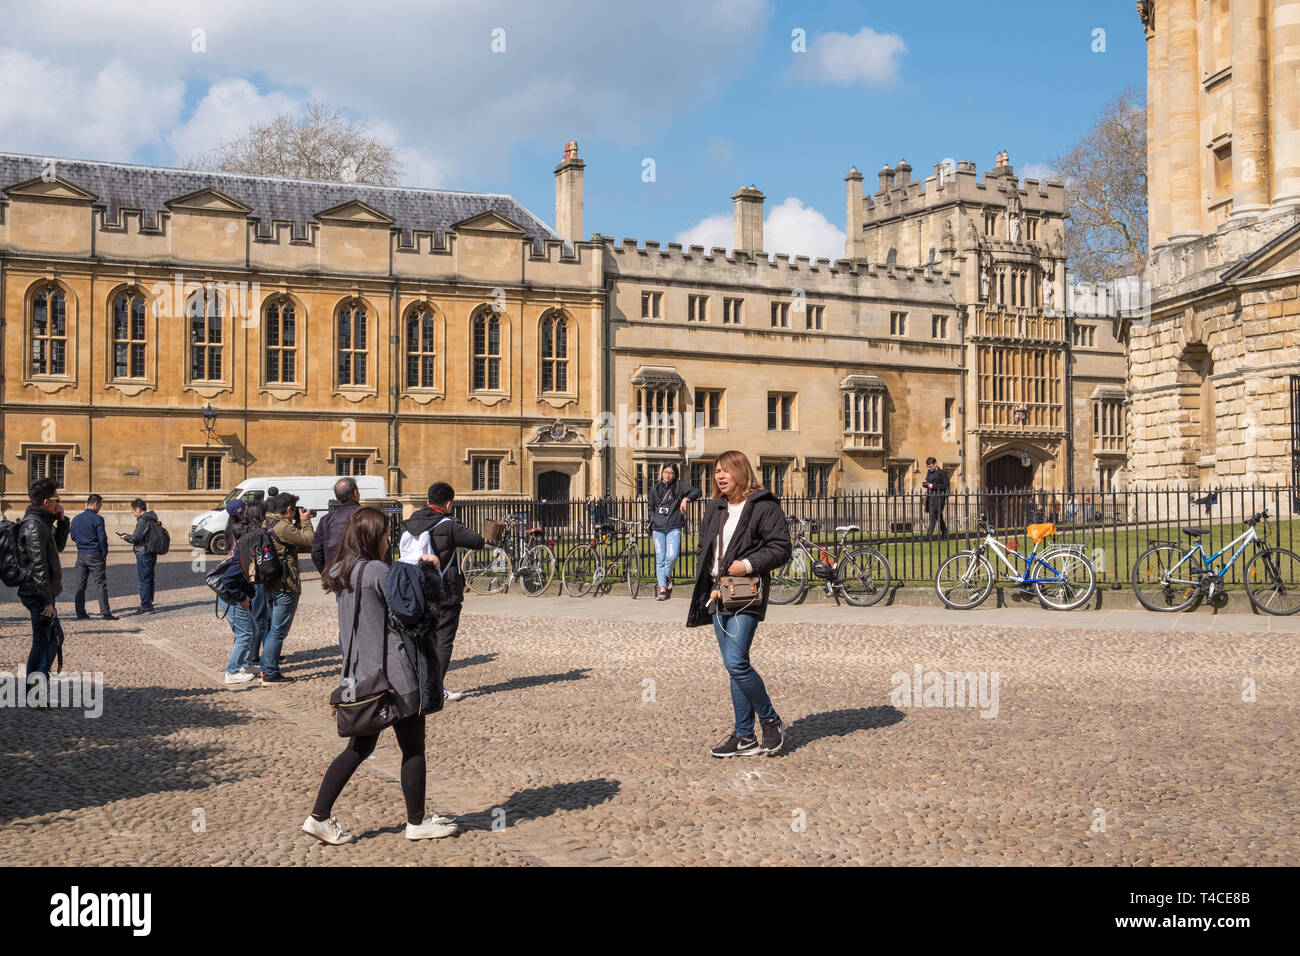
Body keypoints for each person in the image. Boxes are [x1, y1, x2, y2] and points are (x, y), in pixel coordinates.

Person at [304, 507, 455, 845]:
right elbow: (414, 612)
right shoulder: (377, 570)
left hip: (359, 674)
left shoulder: (343, 569)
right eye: (386, 533)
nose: (389, 539)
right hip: (395, 675)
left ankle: (319, 816)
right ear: (373, 536)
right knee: (413, 747)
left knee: (358, 748)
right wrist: (429, 573)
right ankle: (415, 822)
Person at [686, 451, 792, 758]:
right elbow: (707, 547)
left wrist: (745, 564)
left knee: (735, 662)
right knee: (735, 666)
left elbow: (780, 547)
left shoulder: (763, 505)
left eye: (725, 471)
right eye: (716, 471)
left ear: (740, 472)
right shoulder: (715, 507)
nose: (719, 476)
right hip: (718, 593)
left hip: (745, 592)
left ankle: (771, 721)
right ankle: (745, 736)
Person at [399, 482, 480, 703]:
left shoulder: (410, 522)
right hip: (444, 590)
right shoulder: (448, 525)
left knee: (423, 638)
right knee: (444, 639)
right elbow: (477, 541)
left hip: (416, 589)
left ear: (427, 501)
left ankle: (415, 683)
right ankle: (435, 688)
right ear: (448, 503)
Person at [253, 492, 315, 684]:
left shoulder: (266, 523)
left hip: (269, 583)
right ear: (289, 509)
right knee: (278, 631)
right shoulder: (283, 527)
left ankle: (265, 666)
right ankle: (270, 671)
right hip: (285, 585)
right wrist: (305, 521)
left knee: (272, 627)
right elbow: (309, 541)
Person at [17, 477, 70, 696]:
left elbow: (57, 545)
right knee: (44, 641)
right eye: (57, 499)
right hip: (38, 593)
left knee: (51, 638)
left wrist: (62, 521)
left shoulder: (42, 522)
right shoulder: (33, 525)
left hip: (43, 591)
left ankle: (37, 688)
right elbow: (38, 565)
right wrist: (46, 601)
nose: (59, 503)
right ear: (47, 501)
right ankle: (35, 691)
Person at [221, 500, 265, 684]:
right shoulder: (242, 554)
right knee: (244, 634)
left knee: (253, 630)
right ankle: (232, 672)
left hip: (240, 594)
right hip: (233, 598)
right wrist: (243, 598)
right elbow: (228, 580)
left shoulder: (243, 548)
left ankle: (246, 664)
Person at [647, 463, 702, 601]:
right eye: (666, 472)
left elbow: (697, 492)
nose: (668, 475)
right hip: (658, 528)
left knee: (671, 556)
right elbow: (650, 507)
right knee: (660, 558)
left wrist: (685, 498)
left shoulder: (679, 486)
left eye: (671, 473)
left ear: (675, 474)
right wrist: (654, 518)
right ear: (662, 473)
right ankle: (662, 589)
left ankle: (666, 576)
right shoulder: (654, 489)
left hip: (674, 526)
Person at [69, 493, 117, 620]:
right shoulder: (98, 519)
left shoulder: (76, 518)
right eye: (100, 505)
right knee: (100, 584)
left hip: (81, 554)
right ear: (95, 504)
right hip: (95, 554)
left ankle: (80, 612)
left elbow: (73, 536)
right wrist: (104, 553)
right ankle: (105, 612)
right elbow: (102, 539)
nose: (100, 507)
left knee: (80, 584)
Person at [118, 498, 160, 613]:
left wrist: (125, 537)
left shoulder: (143, 519)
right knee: (150, 579)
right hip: (151, 552)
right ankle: (148, 602)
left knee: (144, 580)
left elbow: (136, 538)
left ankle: (146, 606)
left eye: (133, 511)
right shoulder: (152, 517)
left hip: (143, 553)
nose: (133, 513)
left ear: (138, 509)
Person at [311, 477, 361, 573]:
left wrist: (327, 573)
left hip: (335, 576)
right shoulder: (368, 516)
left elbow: (316, 552)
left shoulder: (326, 519)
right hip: (363, 576)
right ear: (355, 493)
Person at [921, 457, 950, 540]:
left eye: (930, 466)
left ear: (935, 464)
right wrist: (926, 484)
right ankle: (945, 534)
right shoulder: (929, 472)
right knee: (938, 517)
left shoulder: (942, 473)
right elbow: (928, 482)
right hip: (930, 497)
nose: (929, 469)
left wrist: (933, 486)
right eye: (928, 467)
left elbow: (945, 486)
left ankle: (928, 537)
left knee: (933, 517)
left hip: (938, 497)